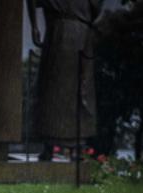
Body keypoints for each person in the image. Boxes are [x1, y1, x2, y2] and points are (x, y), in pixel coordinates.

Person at [26, 0, 101, 161]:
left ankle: (62, 145)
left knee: (66, 89)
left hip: (66, 31)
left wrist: (34, 26)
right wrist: (34, 26)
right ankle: (64, 145)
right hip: (68, 31)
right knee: (67, 89)